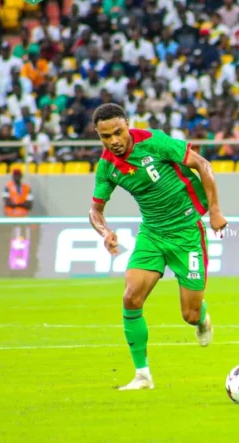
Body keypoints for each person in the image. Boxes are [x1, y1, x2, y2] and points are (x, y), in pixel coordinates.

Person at [89, 103, 227, 390]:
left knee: (189, 315)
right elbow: (95, 210)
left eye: (118, 132)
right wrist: (104, 231)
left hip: (187, 231)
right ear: (98, 135)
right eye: (105, 136)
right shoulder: (106, 167)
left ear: (128, 124)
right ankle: (142, 375)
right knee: (131, 298)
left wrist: (214, 210)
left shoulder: (154, 141)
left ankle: (201, 318)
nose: (113, 141)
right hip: (151, 233)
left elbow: (203, 164)